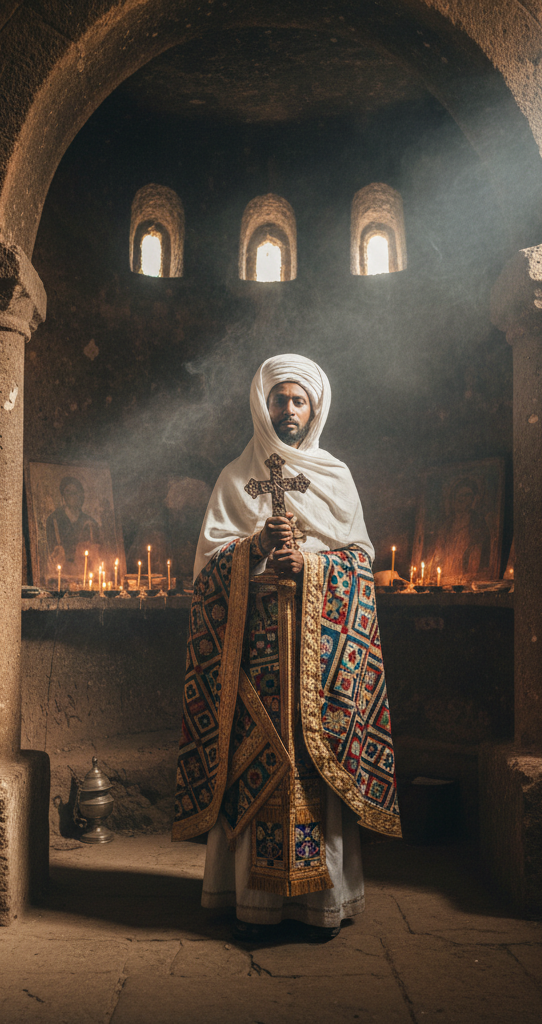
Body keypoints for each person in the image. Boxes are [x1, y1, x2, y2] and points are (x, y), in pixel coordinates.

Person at [172, 353, 400, 943]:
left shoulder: (334, 475)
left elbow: (360, 562)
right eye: (280, 400)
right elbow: (205, 571)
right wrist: (253, 548)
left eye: (299, 401)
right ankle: (250, 900)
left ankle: (323, 902)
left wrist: (310, 565)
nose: (289, 410)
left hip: (320, 660)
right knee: (253, 760)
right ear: (263, 405)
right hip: (254, 655)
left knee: (314, 763)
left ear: (315, 409)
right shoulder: (235, 478)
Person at [46, 476, 102, 583]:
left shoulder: (90, 522)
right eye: (68, 492)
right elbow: (53, 551)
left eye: (75, 492)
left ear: (81, 496)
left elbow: (96, 552)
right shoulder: (54, 520)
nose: (72, 496)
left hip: (85, 577)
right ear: (63, 495)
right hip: (62, 576)